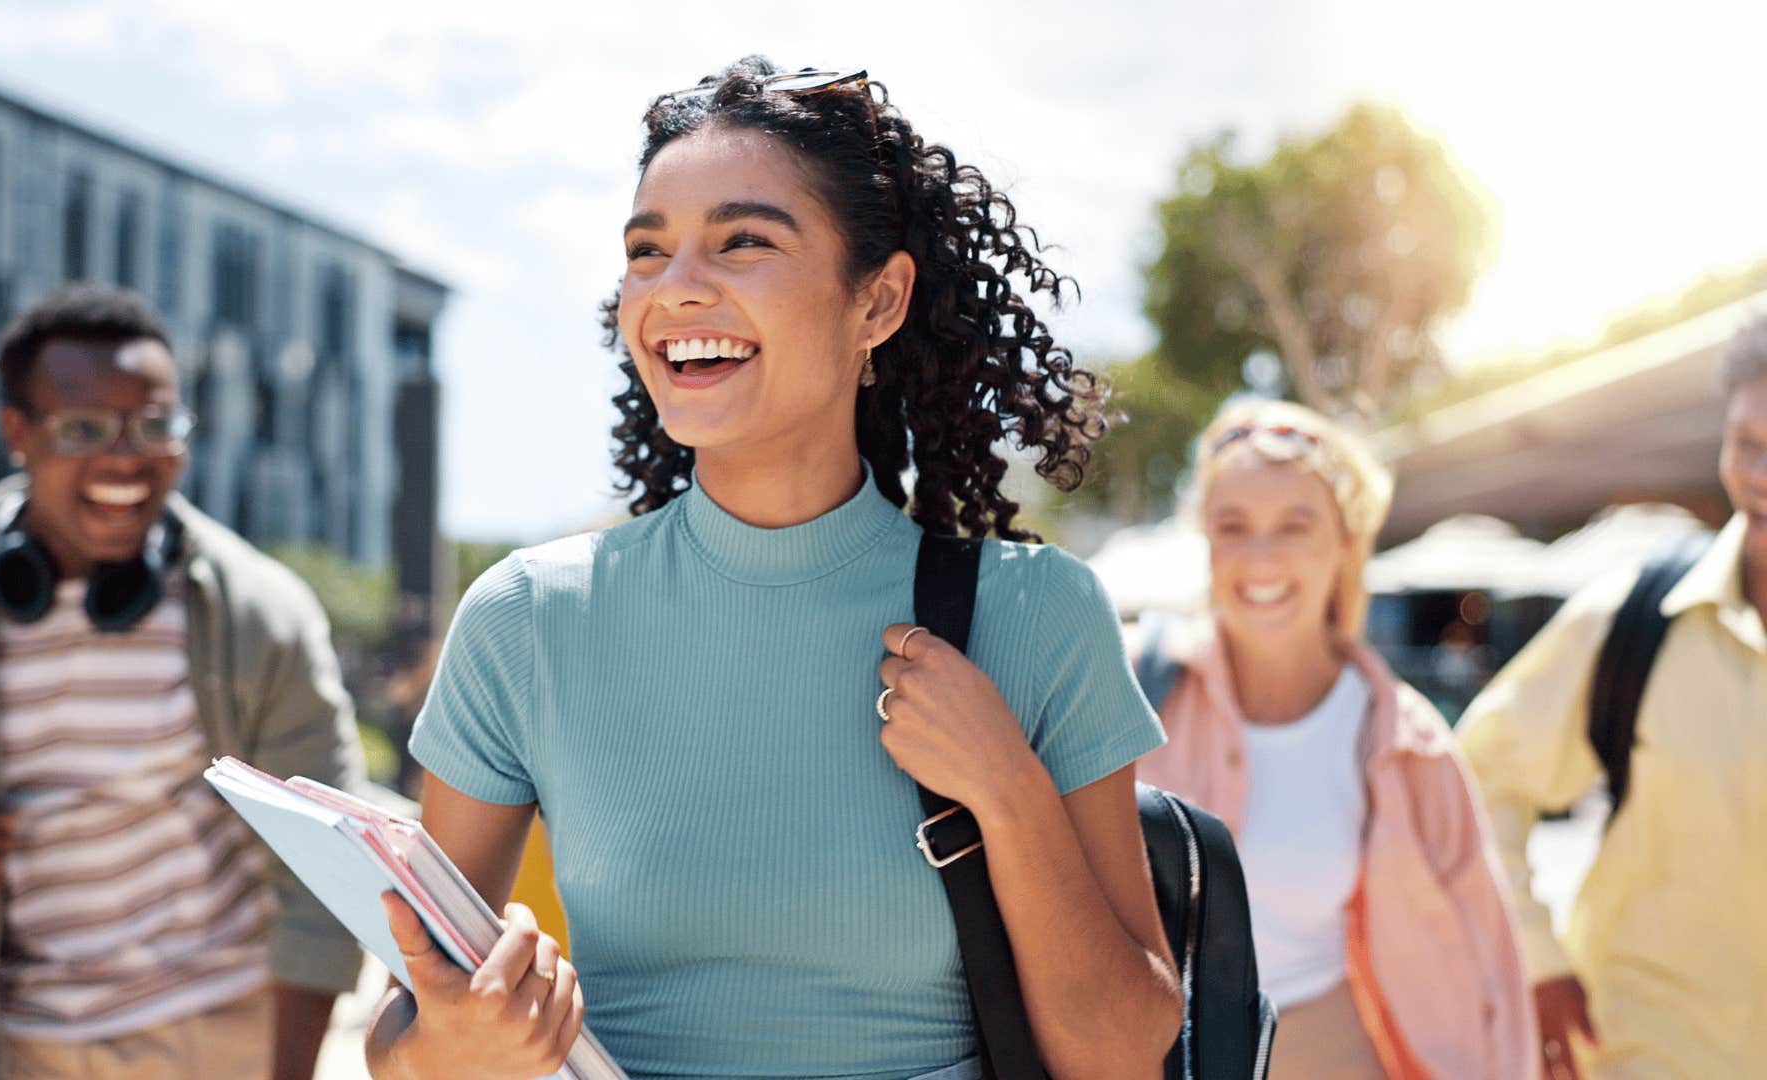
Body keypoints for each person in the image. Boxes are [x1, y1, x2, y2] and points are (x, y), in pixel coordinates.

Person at [364, 59, 1181, 1080]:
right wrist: (453, 1047)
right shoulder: (528, 618)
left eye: (744, 240)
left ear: (877, 301)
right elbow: (400, 1042)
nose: (676, 287)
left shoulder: (1037, 612)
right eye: (646, 251)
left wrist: (1007, 792)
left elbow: (1120, 1055)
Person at [0, 285, 365, 1079]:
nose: (126, 457)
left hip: (218, 1036)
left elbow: (324, 871)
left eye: (155, 425)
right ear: (17, 433)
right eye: (84, 428)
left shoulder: (264, 613)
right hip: (6, 1041)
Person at [1134, 400, 1536, 1079]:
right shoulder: (1133, 695)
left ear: (1345, 544)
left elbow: (1487, 956)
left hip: (1335, 1053)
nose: (1262, 557)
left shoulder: (1406, 742)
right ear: (1206, 540)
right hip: (1153, 1056)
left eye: (1295, 525)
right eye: (1234, 526)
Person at [1457, 315, 1767, 1079]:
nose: (1761, 473)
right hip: (1642, 1051)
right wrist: (1535, 959)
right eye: (1748, 443)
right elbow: (1474, 776)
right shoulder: (1630, 619)